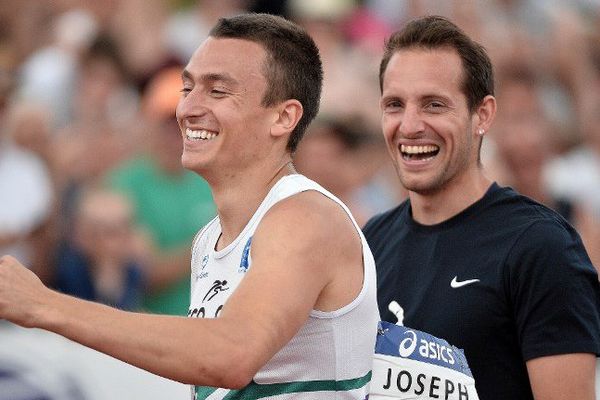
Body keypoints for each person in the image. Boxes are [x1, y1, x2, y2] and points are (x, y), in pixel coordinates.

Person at [0, 13, 379, 399]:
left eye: (217, 91)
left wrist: (43, 306)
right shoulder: (209, 240)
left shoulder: (305, 217)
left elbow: (230, 353)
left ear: (283, 117)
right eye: (188, 87)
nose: (188, 109)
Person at [362, 15, 600, 400]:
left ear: (483, 115)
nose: (409, 125)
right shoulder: (370, 243)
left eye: (434, 105)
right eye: (395, 104)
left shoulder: (541, 246)